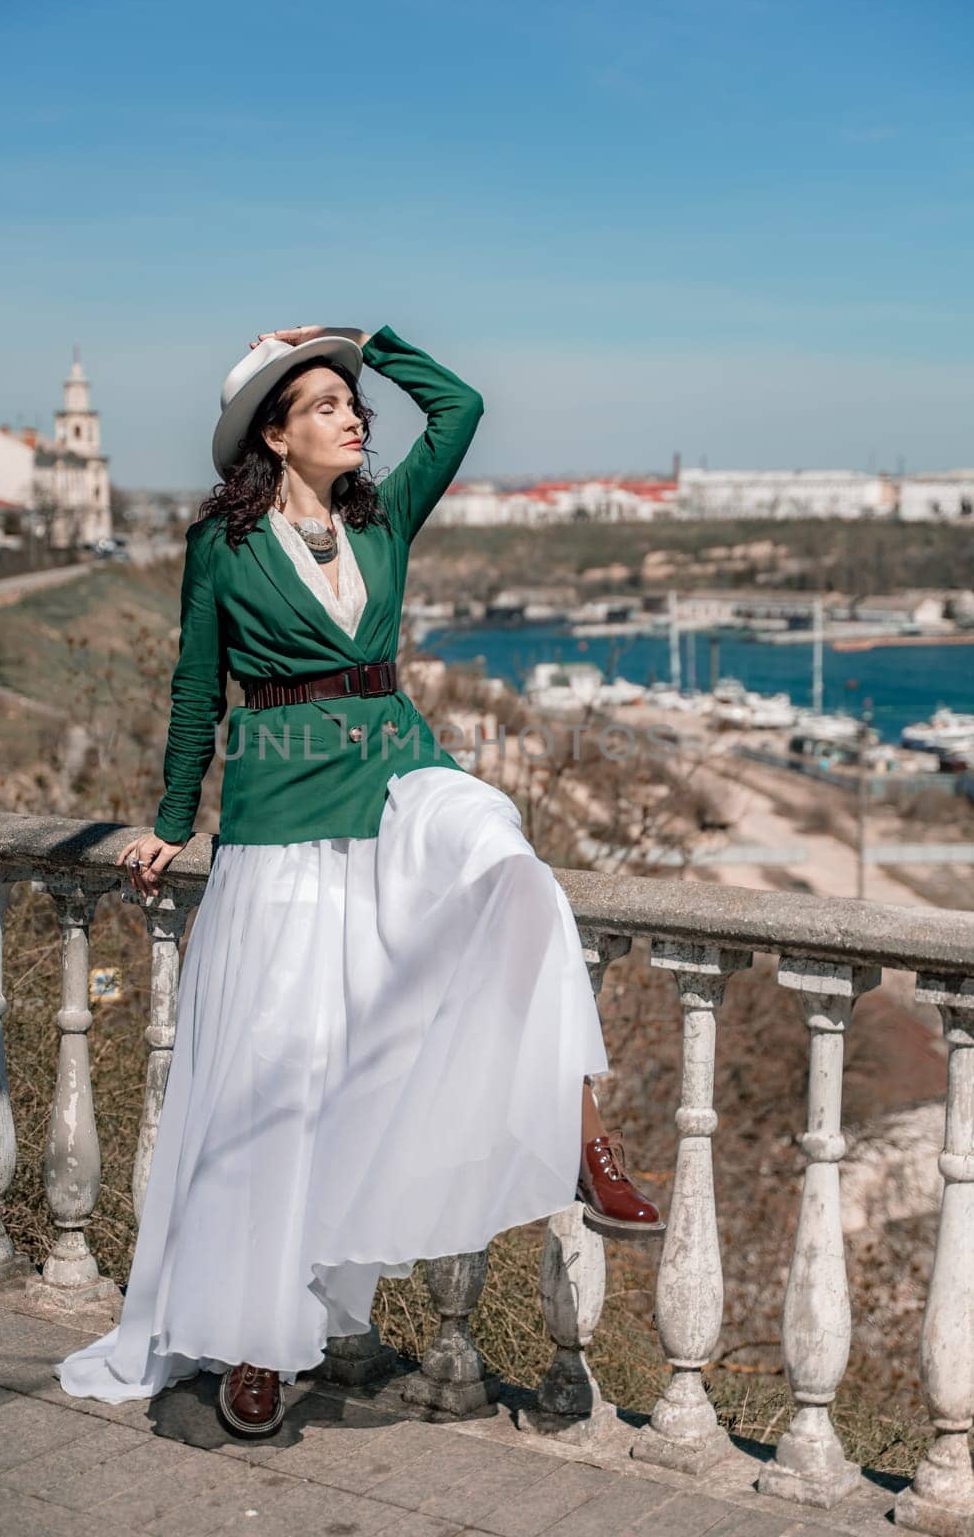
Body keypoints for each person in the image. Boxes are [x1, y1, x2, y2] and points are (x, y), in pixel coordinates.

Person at [53, 322, 663, 1437]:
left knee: (509, 865)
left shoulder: (382, 517)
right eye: (325, 402)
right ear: (273, 435)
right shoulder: (221, 548)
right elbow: (198, 689)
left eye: (353, 402)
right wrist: (173, 820)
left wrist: (365, 338)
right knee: (280, 1084)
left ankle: (582, 1134)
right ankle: (252, 1337)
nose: (351, 415)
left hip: (397, 779)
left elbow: (461, 407)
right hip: (283, 819)